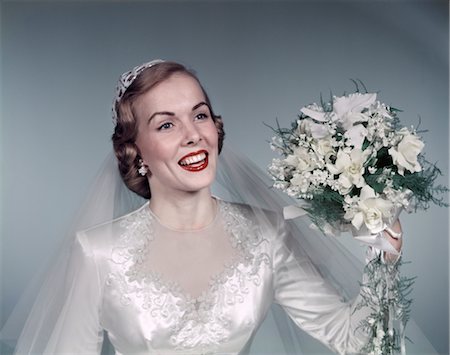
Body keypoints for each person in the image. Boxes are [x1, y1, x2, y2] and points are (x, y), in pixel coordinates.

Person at [6, 60, 403, 355]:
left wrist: (382, 258)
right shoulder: (99, 251)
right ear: (135, 150)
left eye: (199, 115)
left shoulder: (268, 234)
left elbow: (357, 341)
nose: (193, 135)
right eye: (166, 124)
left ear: (216, 127)